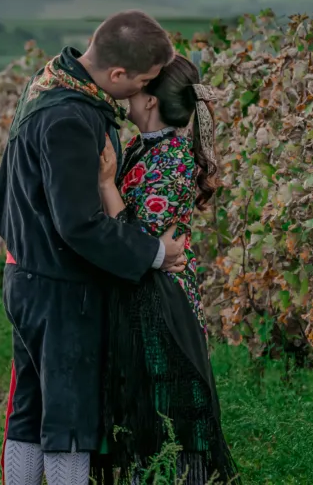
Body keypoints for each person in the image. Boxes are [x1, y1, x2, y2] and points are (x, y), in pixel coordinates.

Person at [0, 11, 188, 485]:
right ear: (117, 74)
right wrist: (153, 253)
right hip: (60, 285)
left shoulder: (50, 82)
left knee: (32, 406)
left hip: (26, 271)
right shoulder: (72, 117)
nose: (142, 92)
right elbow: (77, 223)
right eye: (142, 81)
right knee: (70, 416)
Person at [96, 54, 238, 485]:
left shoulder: (173, 160)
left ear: (152, 100)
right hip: (146, 299)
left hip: (164, 308)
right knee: (147, 416)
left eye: (138, 88)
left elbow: (138, 243)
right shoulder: (146, 145)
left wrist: (105, 185)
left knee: (167, 416)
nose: (128, 95)